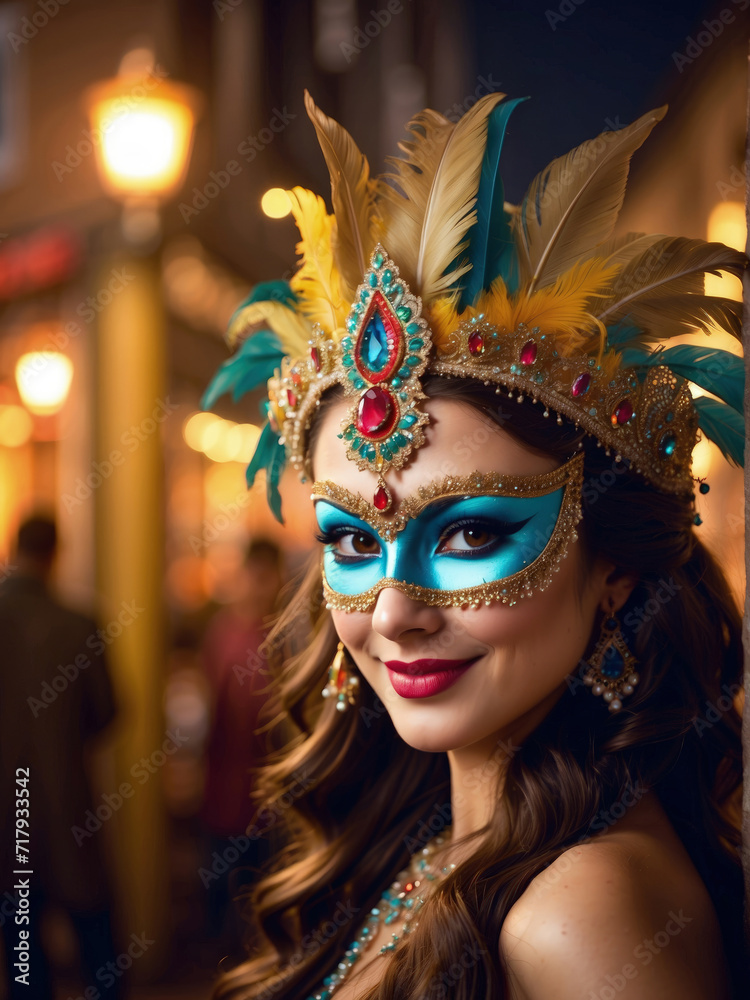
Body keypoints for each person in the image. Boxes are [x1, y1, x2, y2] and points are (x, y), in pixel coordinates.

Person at [201, 90, 747, 999]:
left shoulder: (584, 911)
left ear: (612, 572)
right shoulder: (446, 837)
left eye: (468, 532)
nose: (395, 612)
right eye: (350, 539)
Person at [0, 516, 124, 999]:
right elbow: (110, 712)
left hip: (11, 821)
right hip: (71, 809)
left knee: (25, 961)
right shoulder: (77, 624)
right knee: (99, 955)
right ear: (56, 554)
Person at [199, 538, 284, 961]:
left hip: (270, 786)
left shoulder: (285, 638)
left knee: (263, 883)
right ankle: (222, 960)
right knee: (221, 880)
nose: (257, 586)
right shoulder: (222, 633)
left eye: (267, 577)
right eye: (253, 576)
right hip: (222, 779)